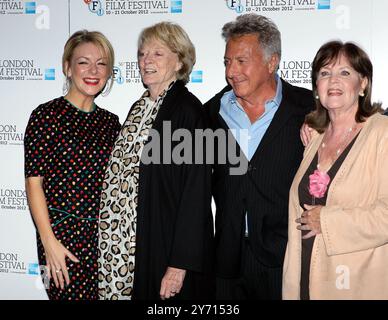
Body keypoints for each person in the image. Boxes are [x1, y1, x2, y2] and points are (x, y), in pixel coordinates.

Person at [98, 21, 214, 300]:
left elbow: (195, 194)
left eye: (157, 53)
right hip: (119, 251)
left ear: (179, 62)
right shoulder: (138, 107)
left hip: (159, 248)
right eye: (142, 54)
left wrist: (178, 265)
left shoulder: (189, 112)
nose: (146, 60)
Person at [204, 13, 314, 299]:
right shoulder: (209, 113)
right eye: (227, 61)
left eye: (242, 61)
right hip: (227, 261)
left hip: (286, 257)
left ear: (272, 62)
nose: (232, 71)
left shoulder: (309, 110)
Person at [282, 40, 388, 299]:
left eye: (345, 73)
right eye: (325, 73)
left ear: (362, 84)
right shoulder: (314, 137)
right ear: (316, 87)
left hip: (354, 285)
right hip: (305, 279)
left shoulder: (382, 133)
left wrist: (328, 222)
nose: (334, 81)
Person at [24, 30, 121, 300]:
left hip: (104, 241)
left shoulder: (111, 123)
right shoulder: (46, 116)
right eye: (83, 62)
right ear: (67, 67)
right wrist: (49, 242)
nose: (93, 70)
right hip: (61, 239)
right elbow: (34, 183)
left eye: (101, 63)